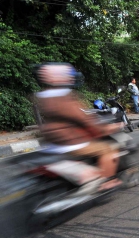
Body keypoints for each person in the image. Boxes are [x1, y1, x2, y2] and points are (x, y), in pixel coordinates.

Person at [35, 63, 123, 191]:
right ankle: (107, 181)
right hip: (70, 142)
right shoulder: (65, 98)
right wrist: (107, 128)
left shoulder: (44, 97)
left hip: (52, 143)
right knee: (108, 149)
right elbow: (84, 120)